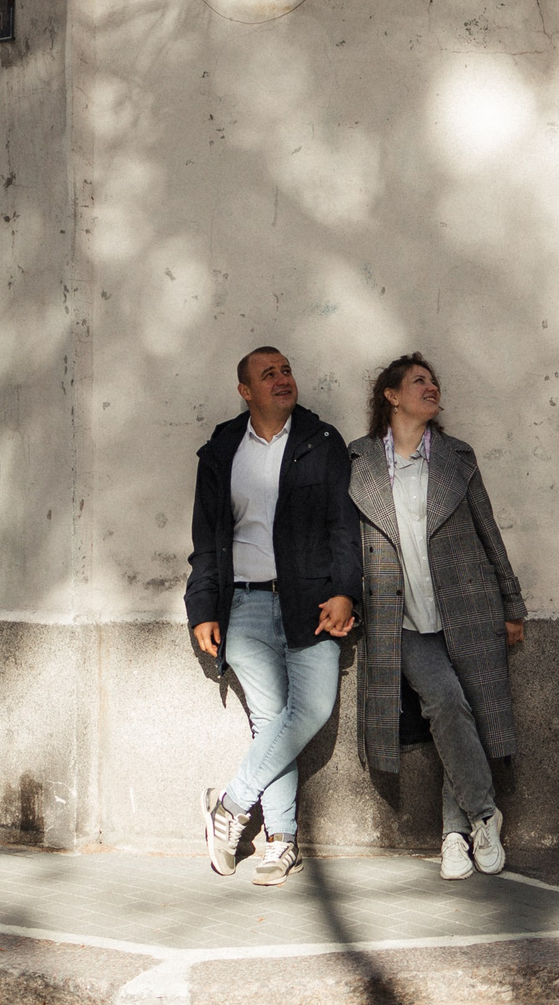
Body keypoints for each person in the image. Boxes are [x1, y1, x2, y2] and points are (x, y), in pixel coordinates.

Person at [346, 352, 527, 880]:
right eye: (418, 381)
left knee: (466, 712)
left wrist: (511, 603)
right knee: (446, 703)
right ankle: (484, 814)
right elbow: (346, 541)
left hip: (467, 610)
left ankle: (453, 836)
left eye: (434, 382)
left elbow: (489, 533)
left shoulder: (456, 457)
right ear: (391, 396)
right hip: (400, 620)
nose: (431, 388)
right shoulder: (359, 460)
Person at [184, 345, 360, 886]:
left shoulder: (321, 441)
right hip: (245, 605)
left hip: (311, 604)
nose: (282, 379)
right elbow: (207, 538)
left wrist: (345, 592)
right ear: (245, 391)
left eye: (286, 370)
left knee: (309, 710)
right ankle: (281, 842)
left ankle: (231, 805)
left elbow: (343, 526)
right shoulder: (222, 449)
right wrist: (203, 606)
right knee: (269, 721)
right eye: (268, 374)